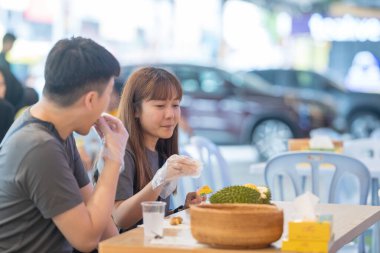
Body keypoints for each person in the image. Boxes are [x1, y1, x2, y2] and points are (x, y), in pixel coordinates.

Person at [0, 37, 128, 253]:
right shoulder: (39, 146)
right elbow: (87, 239)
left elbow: (103, 228)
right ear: (90, 100)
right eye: (108, 95)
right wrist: (113, 159)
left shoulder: (60, 132)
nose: (109, 104)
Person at [112, 67, 204, 231]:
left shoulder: (161, 154)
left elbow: (152, 220)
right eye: (160, 106)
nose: (170, 114)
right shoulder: (121, 152)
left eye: (175, 105)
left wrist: (184, 209)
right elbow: (120, 219)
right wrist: (159, 179)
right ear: (135, 110)